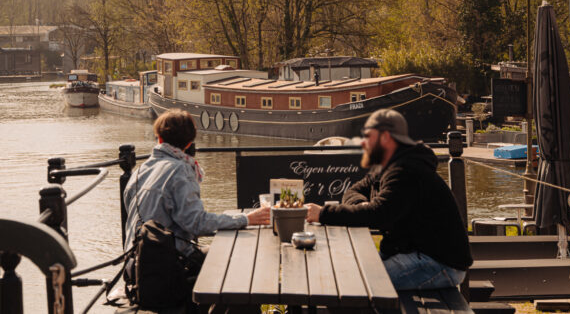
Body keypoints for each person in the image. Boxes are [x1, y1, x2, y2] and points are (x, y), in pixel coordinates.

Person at [304, 109, 472, 290]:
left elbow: (379, 214)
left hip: (438, 262)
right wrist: (363, 206)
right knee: (347, 273)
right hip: (412, 253)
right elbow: (353, 191)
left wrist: (324, 214)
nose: (364, 142)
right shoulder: (387, 166)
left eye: (368, 136)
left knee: (357, 284)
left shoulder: (404, 170)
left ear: (385, 137)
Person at [124, 107, 271, 255]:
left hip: (133, 261)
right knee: (233, 254)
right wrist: (246, 219)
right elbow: (196, 222)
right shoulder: (180, 170)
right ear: (189, 143)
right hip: (167, 263)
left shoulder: (139, 171)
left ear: (159, 139)